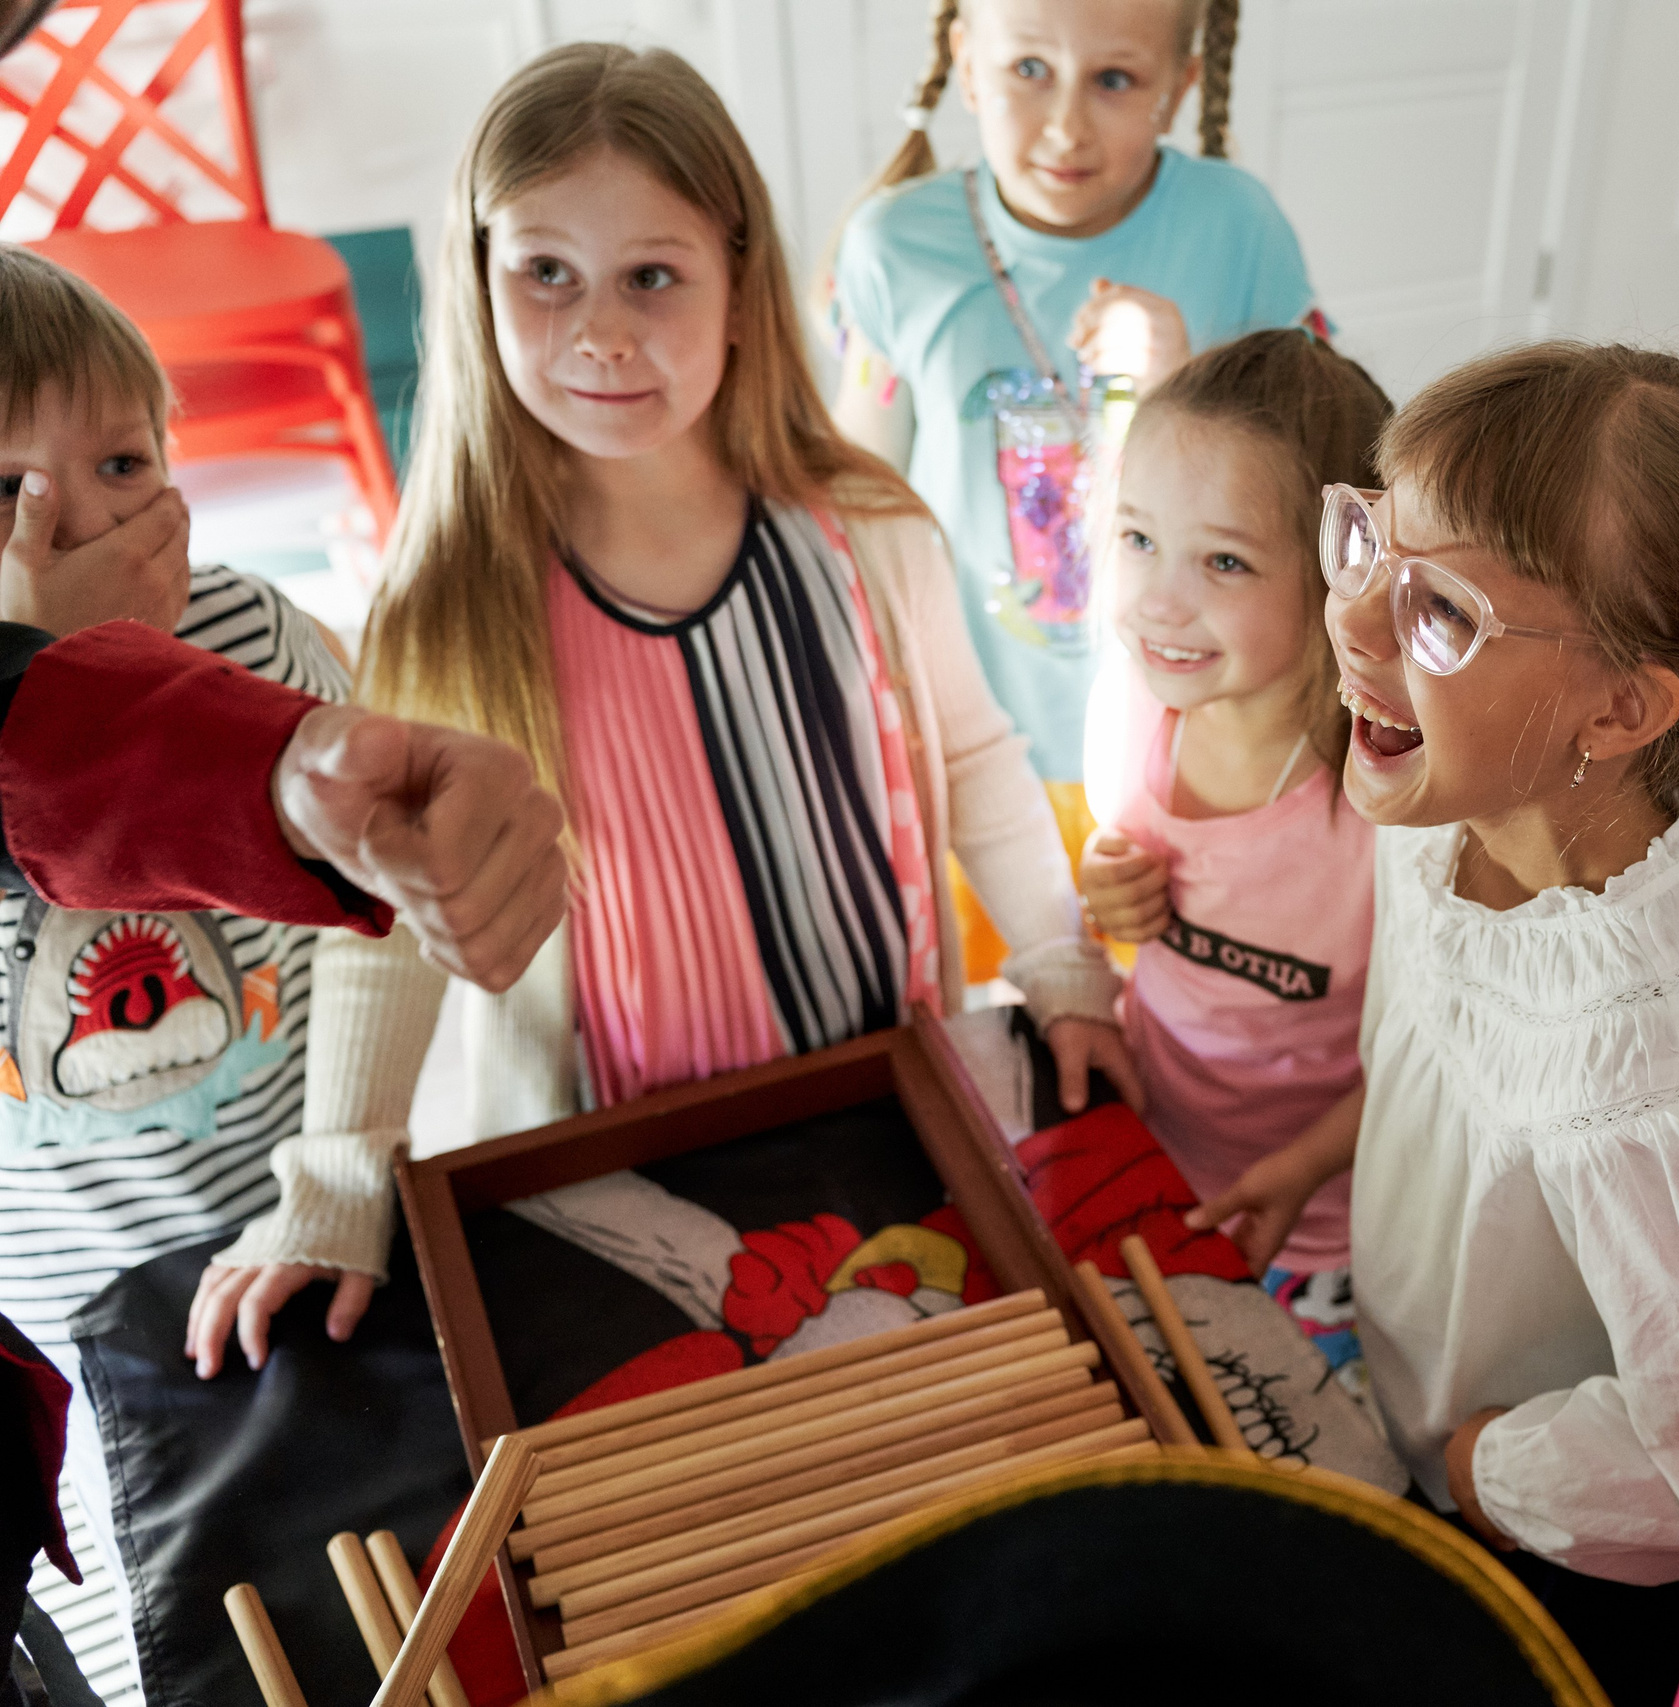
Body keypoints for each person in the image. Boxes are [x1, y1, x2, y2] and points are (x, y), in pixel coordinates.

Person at [186, 43, 1134, 1376]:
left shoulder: (865, 526)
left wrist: (1063, 968)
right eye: (547, 274)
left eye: (653, 274)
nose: (602, 332)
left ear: (740, 287)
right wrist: (340, 1175)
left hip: (886, 1114)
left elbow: (979, 759)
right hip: (612, 1173)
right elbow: (387, 921)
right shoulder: (454, 599)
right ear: (478, 281)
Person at [1276, 341, 1679, 1702]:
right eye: (1367, 539)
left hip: (1548, 1563)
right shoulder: (1441, 815)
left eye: (1442, 609)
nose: (1358, 624)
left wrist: (1486, 1468)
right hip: (1409, 1397)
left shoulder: (1674, 1072)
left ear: (1621, 708)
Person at [0, 243, 569, 1698]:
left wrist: (333, 1176)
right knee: (171, 1635)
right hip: (69, 1305)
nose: (68, 518)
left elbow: (368, 913)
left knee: (443, 1594)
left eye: (123, 459)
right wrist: (45, 662)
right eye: (4, 489)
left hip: (306, 1230)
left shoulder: (254, 633)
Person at [826, 0, 1319, 978]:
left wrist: (1190, 380)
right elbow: (855, 496)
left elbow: (1321, 474)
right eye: (1027, 71)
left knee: (1170, 1032)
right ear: (966, 64)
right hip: (977, 752)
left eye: (1115, 80)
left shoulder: (1237, 226)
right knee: (1007, 1025)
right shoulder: (895, 245)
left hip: (1189, 747)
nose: (1065, 125)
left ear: (1178, 85)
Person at [1074, 330, 1389, 1369]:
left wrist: (1302, 1170)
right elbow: (1136, 909)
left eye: (1223, 560)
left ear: (1343, 572)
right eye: (1135, 540)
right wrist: (1105, 896)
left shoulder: (1385, 814)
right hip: (1159, 1169)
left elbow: (1439, 1063)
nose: (1160, 599)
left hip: (1332, 1233)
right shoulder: (1138, 706)